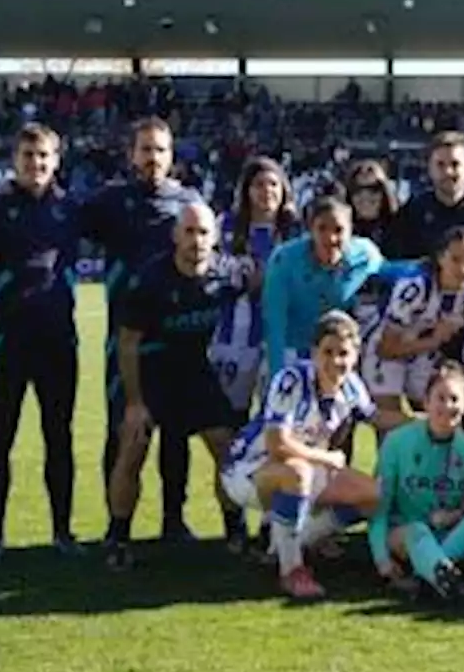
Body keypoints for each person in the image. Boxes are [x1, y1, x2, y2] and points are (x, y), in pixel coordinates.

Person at [105, 203, 256, 570]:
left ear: (215, 238)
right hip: (151, 373)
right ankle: (118, 536)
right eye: (188, 232)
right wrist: (135, 402)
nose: (196, 240)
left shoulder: (227, 275)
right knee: (133, 449)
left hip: (195, 372)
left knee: (227, 448)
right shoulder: (151, 280)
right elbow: (127, 343)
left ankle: (235, 530)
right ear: (175, 236)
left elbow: (257, 283)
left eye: (203, 232)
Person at [220, 311, 409, 599]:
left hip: (302, 465)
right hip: (249, 470)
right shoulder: (291, 380)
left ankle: (285, 544)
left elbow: (377, 417)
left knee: (373, 496)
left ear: (356, 355)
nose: (335, 361)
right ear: (313, 352)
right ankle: (292, 570)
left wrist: (424, 420)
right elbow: (277, 445)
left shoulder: (352, 386)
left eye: (343, 353)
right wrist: (327, 458)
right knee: (298, 472)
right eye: (327, 352)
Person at [83, 116, 202, 542]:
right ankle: (118, 527)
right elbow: (60, 226)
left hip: (177, 341)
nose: (153, 157)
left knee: (176, 435)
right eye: (145, 149)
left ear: (172, 156)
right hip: (126, 339)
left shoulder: (186, 202)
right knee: (124, 432)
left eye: (160, 150)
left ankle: (174, 519)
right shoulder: (108, 202)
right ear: (132, 154)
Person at [0, 124, 84, 559]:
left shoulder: (72, 209)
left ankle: (62, 533)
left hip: (58, 344)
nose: (36, 164)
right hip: (7, 344)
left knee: (58, 437)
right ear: (14, 160)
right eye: (28, 156)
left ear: (56, 160)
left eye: (43, 156)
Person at [369, 361, 464, 604]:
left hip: (448, 535)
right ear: (426, 402)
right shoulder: (397, 441)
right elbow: (380, 506)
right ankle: (446, 579)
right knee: (418, 530)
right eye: (440, 398)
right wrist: (382, 561)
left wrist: (456, 515)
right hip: (406, 534)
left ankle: (431, 576)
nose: (447, 406)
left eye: (454, 399)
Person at [363, 226, 464, 414]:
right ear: (441, 258)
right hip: (388, 347)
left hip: (427, 351)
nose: (463, 269)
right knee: (390, 420)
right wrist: (434, 340)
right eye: (455, 260)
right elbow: (386, 348)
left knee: (435, 412)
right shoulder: (415, 289)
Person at [208, 156, 300, 420]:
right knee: (230, 419)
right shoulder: (224, 225)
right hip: (234, 336)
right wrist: (240, 281)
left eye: (273, 184)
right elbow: (209, 273)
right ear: (246, 190)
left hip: (283, 337)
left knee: (279, 417)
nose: (267, 191)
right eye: (259, 184)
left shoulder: (296, 231)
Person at [262, 194, 384, 378]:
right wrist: (277, 375)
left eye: (339, 230)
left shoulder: (365, 255)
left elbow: (392, 273)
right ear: (310, 230)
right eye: (322, 229)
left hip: (339, 352)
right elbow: (274, 320)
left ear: (351, 231)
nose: (331, 238)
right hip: (294, 348)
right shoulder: (285, 260)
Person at [382, 131, 464, 273]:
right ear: (429, 168)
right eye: (440, 165)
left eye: (455, 164)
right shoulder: (413, 210)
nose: (448, 172)